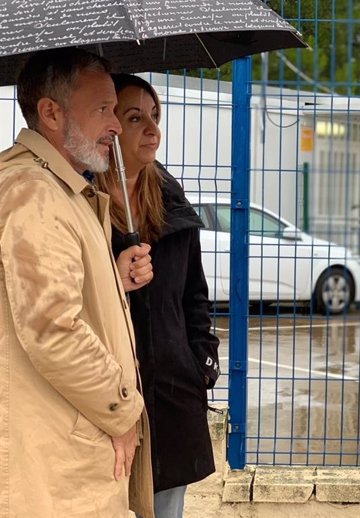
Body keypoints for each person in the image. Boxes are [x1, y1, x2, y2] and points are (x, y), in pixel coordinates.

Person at [0, 49, 155, 517]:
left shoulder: (62, 189)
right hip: (56, 462)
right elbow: (53, 329)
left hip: (64, 449)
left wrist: (111, 282)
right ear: (51, 113)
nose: (115, 125)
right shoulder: (34, 193)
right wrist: (123, 411)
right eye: (103, 109)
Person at [96, 73, 220, 518]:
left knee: (167, 508)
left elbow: (195, 296)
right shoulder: (81, 203)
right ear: (109, 125)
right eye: (135, 118)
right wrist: (115, 273)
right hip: (106, 393)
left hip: (170, 392)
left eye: (155, 115)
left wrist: (200, 363)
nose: (153, 129)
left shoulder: (169, 199)